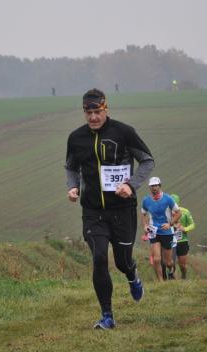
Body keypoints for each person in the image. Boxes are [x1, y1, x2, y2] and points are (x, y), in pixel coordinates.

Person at [65, 88, 154, 330]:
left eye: (97, 112)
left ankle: (132, 275)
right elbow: (71, 167)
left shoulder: (124, 132)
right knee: (100, 258)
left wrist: (131, 185)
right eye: (88, 112)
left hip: (122, 209)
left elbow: (147, 160)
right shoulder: (76, 138)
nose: (93, 117)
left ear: (106, 109)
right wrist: (73, 187)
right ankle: (107, 316)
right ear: (84, 112)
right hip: (93, 211)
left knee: (123, 262)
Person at [141, 177, 180, 281]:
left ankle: (171, 270)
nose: (154, 188)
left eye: (156, 185)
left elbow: (178, 213)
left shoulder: (168, 199)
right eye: (152, 186)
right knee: (157, 259)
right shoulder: (146, 200)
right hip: (154, 231)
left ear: (159, 186)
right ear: (149, 187)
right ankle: (161, 282)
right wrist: (145, 226)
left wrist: (170, 224)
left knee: (168, 262)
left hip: (167, 232)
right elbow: (143, 214)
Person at [170, 194, 195, 279]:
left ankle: (183, 275)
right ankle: (171, 278)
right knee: (170, 263)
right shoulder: (165, 212)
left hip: (182, 241)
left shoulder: (185, 212)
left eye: (174, 205)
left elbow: (193, 224)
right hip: (170, 241)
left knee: (182, 265)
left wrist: (185, 228)